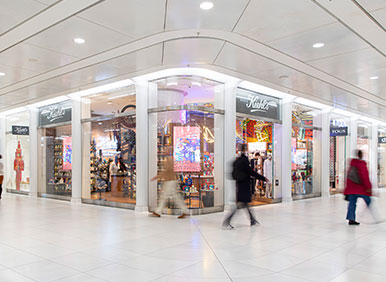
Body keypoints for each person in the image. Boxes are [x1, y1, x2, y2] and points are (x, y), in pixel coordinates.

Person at [223, 144, 269, 229]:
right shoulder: (244, 161)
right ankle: (227, 221)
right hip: (244, 186)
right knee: (241, 205)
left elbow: (232, 174)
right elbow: (252, 172)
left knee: (245, 204)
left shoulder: (236, 161)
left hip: (239, 186)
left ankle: (252, 220)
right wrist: (263, 178)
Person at [150, 147, 188, 219]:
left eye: (166, 150)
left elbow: (167, 171)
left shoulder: (169, 159)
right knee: (173, 197)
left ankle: (158, 212)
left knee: (165, 197)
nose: (164, 150)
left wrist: (157, 176)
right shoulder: (170, 159)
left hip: (170, 181)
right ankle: (185, 211)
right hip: (170, 180)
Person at [344, 150, 372, 225]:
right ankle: (372, 216)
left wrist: (346, 189)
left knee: (352, 203)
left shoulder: (352, 163)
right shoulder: (361, 164)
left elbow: (348, 177)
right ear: (361, 155)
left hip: (351, 188)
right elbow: (364, 177)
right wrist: (368, 187)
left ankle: (351, 219)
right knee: (368, 200)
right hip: (360, 188)